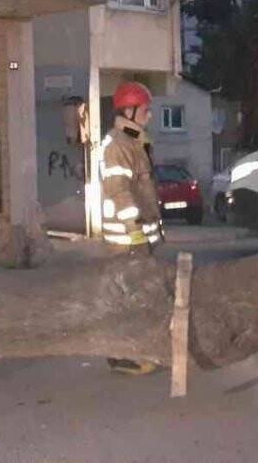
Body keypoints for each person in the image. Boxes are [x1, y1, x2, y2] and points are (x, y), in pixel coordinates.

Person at [100, 81, 163, 375]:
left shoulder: (134, 142)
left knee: (136, 294)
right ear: (129, 111)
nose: (149, 115)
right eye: (145, 110)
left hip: (135, 237)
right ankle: (122, 354)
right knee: (127, 296)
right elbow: (119, 190)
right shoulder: (119, 145)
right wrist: (135, 231)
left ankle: (128, 351)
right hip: (125, 239)